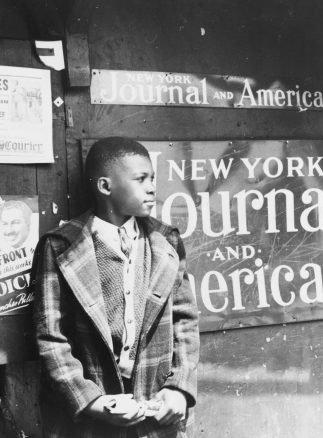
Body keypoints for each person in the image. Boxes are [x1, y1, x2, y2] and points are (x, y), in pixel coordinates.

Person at [30, 137, 200, 438]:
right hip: (90, 420)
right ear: (106, 187)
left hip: (155, 411)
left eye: (153, 179)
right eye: (140, 179)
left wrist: (179, 390)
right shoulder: (61, 247)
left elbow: (185, 323)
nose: (151, 188)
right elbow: (50, 338)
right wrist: (92, 401)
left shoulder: (166, 241)